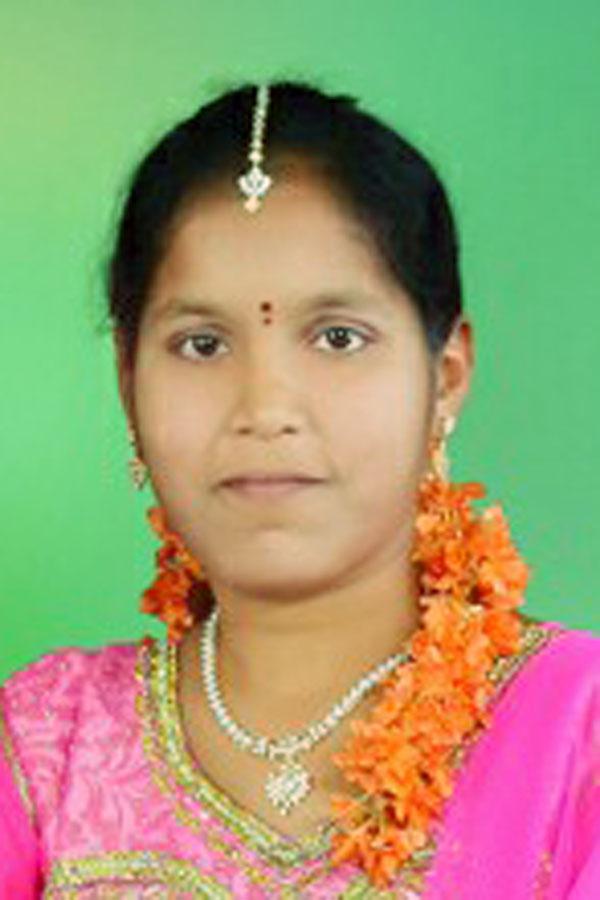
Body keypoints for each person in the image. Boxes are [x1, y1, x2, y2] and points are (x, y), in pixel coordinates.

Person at [1, 79, 599, 900]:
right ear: (127, 383)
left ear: (446, 377)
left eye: (338, 337)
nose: (266, 408)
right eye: (202, 344)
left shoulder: (576, 738)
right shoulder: (44, 747)